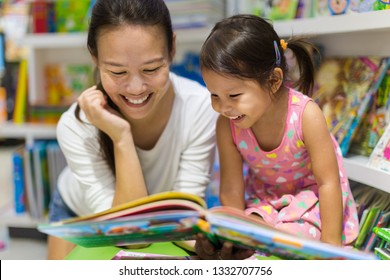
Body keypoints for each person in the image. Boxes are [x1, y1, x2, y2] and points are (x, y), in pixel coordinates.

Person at [47, 0, 217, 260]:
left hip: (160, 223)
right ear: (94, 57)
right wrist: (121, 137)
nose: (136, 88)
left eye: (151, 69)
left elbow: (183, 219)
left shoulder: (200, 108)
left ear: (172, 48)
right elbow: (128, 237)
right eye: (117, 71)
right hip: (79, 213)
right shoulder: (76, 126)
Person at [195, 14, 359, 260]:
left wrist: (331, 247)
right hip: (266, 200)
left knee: (289, 235)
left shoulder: (307, 115)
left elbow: (328, 183)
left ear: (273, 81)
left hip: (311, 198)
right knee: (236, 229)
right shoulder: (227, 124)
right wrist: (232, 232)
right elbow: (230, 188)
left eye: (234, 95)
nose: (223, 107)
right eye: (214, 95)